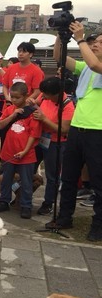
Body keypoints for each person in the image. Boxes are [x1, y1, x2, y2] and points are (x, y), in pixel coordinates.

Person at [45, 23, 102, 241]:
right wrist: (62, 36)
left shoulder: (94, 65)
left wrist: (80, 39)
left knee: (99, 181)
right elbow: (60, 57)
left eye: (100, 42)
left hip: (98, 131)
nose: (95, 44)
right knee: (68, 176)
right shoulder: (86, 67)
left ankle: (98, 224)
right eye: (93, 42)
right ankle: (64, 216)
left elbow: (97, 65)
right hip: (78, 129)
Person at [0, 82, 42, 219]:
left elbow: (34, 134)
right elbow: (0, 125)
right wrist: (13, 115)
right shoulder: (10, 109)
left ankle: (26, 205)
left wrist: (25, 151)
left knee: (26, 181)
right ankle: (4, 201)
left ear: (26, 96)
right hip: (8, 152)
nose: (14, 100)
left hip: (26, 154)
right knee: (6, 179)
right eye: (12, 97)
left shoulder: (32, 113)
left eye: (17, 97)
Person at [32, 77, 74, 215]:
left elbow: (64, 129)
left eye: (46, 94)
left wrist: (44, 119)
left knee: (52, 175)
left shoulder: (67, 105)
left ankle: (48, 202)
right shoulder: (44, 95)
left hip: (56, 142)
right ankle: (23, 196)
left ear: (55, 94)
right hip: (40, 138)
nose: (42, 96)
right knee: (28, 168)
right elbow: (35, 103)